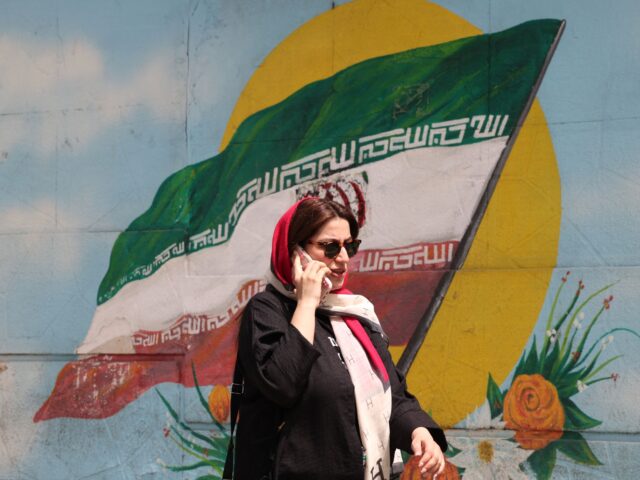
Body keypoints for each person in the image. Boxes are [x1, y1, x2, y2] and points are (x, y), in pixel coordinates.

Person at [230, 197, 447, 480]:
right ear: (295, 251)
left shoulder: (355, 313)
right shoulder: (268, 310)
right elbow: (282, 384)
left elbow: (392, 394)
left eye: (350, 246)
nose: (343, 258)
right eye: (330, 247)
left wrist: (419, 432)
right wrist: (307, 302)